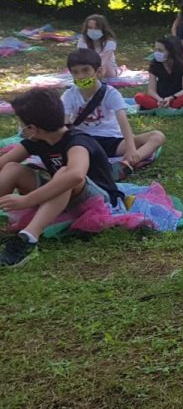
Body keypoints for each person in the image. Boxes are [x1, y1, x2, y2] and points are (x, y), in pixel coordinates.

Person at [0, 88, 123, 267]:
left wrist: (26, 200)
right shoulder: (36, 141)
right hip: (62, 198)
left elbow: (76, 175)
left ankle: (28, 239)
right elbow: (4, 163)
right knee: (12, 168)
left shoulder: (77, 141)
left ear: (32, 128)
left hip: (98, 201)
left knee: (65, 174)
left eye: (22, 124)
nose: (21, 129)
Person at [62, 49, 165, 167]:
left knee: (157, 136)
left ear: (98, 71)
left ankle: (126, 164)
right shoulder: (69, 95)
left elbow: (123, 122)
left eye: (85, 70)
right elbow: (64, 122)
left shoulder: (111, 93)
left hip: (112, 141)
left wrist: (131, 149)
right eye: (75, 72)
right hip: (83, 142)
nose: (80, 76)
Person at [135, 36, 183, 111]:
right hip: (159, 98)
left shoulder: (182, 65)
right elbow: (151, 90)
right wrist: (159, 99)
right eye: (155, 49)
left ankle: (166, 107)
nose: (157, 52)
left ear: (171, 52)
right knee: (139, 97)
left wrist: (171, 98)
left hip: (176, 97)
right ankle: (166, 107)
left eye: (160, 50)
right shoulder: (154, 65)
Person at [77, 14, 119, 79]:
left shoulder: (110, 42)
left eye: (96, 28)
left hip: (108, 70)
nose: (93, 30)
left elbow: (104, 63)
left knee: (103, 60)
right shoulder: (83, 41)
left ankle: (97, 78)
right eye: (90, 28)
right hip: (88, 68)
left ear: (103, 29)